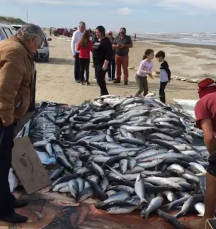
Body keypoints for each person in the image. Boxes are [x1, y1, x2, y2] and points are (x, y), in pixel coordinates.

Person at [0, 24, 44, 223]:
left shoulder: (18, 48)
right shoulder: (16, 52)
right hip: (2, 119)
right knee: (0, 165)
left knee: (5, 160)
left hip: (6, 117)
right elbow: (5, 91)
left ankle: (7, 199)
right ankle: (3, 210)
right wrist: (7, 121)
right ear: (32, 40)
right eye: (39, 43)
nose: (38, 48)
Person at [184, 78, 216, 229]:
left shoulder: (203, 102)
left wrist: (213, 155)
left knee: (212, 177)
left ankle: (206, 220)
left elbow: (209, 137)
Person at [92, 26, 113, 96]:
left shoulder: (106, 41)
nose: (96, 33)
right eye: (96, 32)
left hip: (102, 63)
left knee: (100, 80)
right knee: (99, 79)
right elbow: (94, 51)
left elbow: (109, 53)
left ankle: (105, 94)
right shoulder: (96, 40)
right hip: (96, 63)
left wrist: (105, 64)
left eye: (98, 32)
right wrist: (93, 62)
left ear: (102, 32)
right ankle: (103, 94)